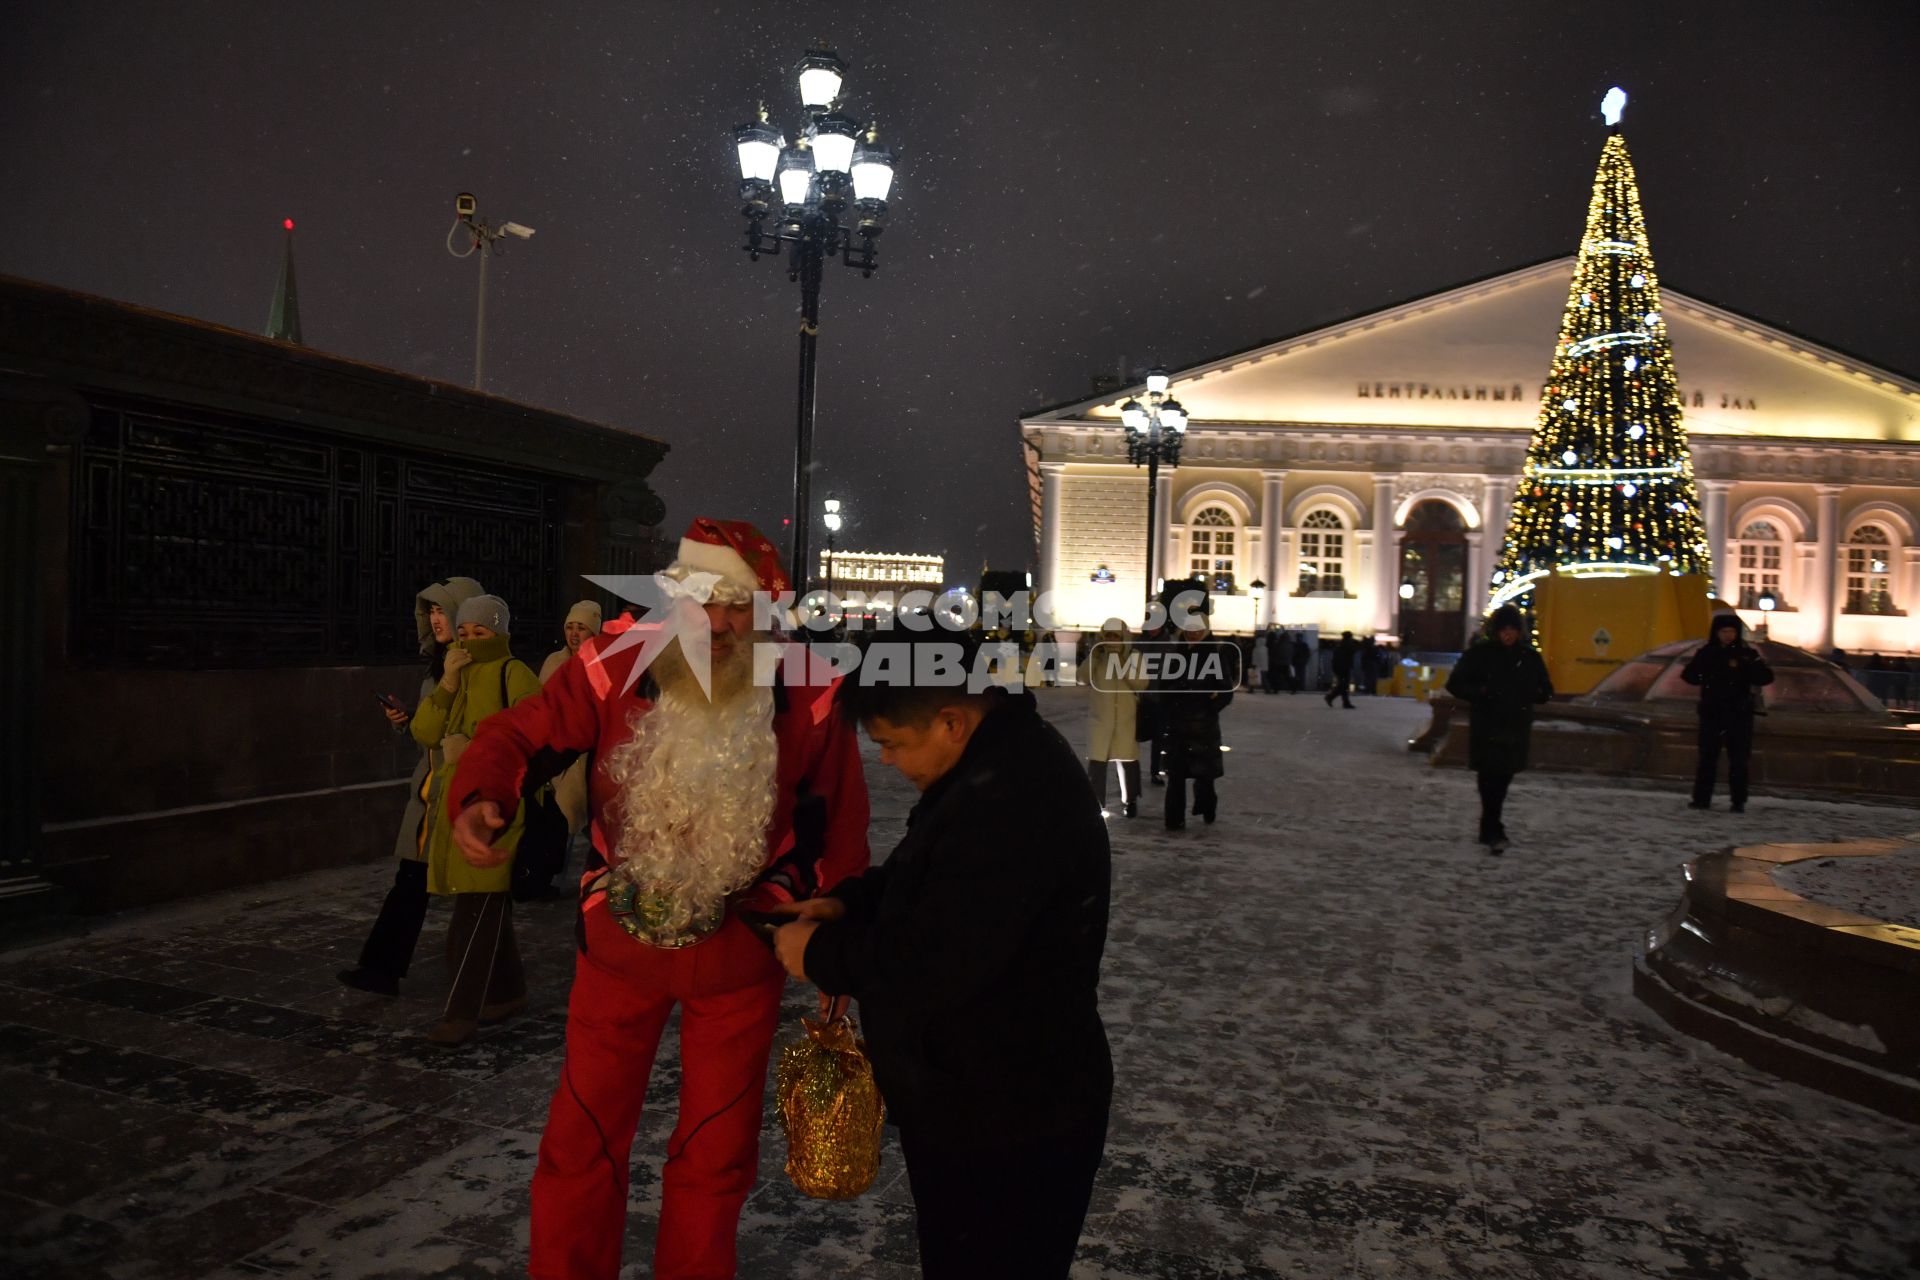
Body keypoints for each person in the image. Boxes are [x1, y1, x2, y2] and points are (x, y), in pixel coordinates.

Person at [446, 516, 869, 1280]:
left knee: (717, 1159)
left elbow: (840, 827)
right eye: (702, 600)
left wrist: (837, 938)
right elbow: (519, 734)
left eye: (737, 604)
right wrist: (484, 795)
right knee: (581, 1142)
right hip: (618, 947)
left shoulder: (805, 687)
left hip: (743, 956)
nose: (718, 623)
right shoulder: (614, 663)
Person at [770, 629, 1112, 1280]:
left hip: (1011, 1118)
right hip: (983, 1100)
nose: (892, 763)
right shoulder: (991, 767)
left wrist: (823, 956)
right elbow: (921, 883)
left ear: (952, 720)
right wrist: (848, 905)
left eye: (894, 745)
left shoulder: (1009, 800)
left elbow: (934, 963)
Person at [338, 575, 485, 998]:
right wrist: (409, 722)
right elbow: (431, 731)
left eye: (443, 610)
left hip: (459, 796)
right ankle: (381, 969)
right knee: (412, 883)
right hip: (429, 797)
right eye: (431, 611)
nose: (436, 619)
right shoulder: (437, 669)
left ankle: (491, 982)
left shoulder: (481, 670)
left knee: (479, 895)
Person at [409, 593, 543, 1044]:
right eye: (463, 633)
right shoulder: (453, 671)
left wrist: (478, 748)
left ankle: (461, 1012)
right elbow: (424, 732)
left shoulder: (514, 672)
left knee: (473, 913)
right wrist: (447, 684)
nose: (469, 641)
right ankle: (508, 992)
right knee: (484, 906)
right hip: (454, 805)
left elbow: (537, 734)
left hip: (495, 808)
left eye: (480, 633)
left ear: (499, 633)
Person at [1444, 605, 1553, 854]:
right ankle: (1494, 828)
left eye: (1512, 630)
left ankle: (1489, 825)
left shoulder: (1528, 657)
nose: (1508, 634)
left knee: (1502, 779)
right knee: (1489, 777)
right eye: (1504, 630)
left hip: (1514, 726)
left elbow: (1545, 690)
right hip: (1487, 725)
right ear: (1496, 630)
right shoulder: (1479, 655)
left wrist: (1533, 694)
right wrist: (1481, 692)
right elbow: (1455, 684)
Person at [538, 599, 606, 897]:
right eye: (570, 627)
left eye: (582, 628)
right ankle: (551, 877)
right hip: (557, 749)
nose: (574, 634)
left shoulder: (604, 661)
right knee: (559, 817)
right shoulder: (555, 661)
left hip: (591, 752)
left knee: (588, 816)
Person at [1681, 613, 1775, 813]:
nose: (1728, 635)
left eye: (1731, 631)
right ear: (1717, 633)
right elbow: (1689, 675)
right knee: (1708, 758)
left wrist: (1747, 668)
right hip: (1713, 713)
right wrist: (1707, 675)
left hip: (1738, 714)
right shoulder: (1707, 653)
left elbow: (1765, 677)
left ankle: (1738, 801)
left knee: (1738, 759)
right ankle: (1702, 799)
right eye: (1724, 631)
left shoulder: (1746, 654)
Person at [1158, 621, 1234, 830]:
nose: (1193, 634)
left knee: (1204, 775)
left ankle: (1207, 806)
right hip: (1177, 725)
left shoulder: (1215, 655)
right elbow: (1163, 685)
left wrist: (1210, 707)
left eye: (1198, 630)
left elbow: (1226, 690)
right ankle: (1174, 820)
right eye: (1190, 630)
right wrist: (1172, 698)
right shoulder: (1176, 653)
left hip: (1203, 727)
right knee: (1176, 776)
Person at [1082, 617, 1147, 817]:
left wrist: (1121, 662)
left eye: (1115, 636)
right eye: (1108, 636)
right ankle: (1096, 802)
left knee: (1128, 760)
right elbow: (1082, 677)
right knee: (1098, 762)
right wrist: (1095, 657)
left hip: (1125, 719)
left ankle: (1130, 800)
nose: (1111, 640)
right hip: (1101, 718)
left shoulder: (1134, 656)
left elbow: (1141, 683)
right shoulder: (1097, 656)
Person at [1325, 630, 1359, 709]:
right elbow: (1354, 650)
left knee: (1343, 686)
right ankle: (1331, 697)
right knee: (1343, 686)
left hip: (1340, 668)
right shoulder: (1347, 645)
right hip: (1344, 668)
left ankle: (1344, 702)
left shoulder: (1341, 645)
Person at [1262, 627, 1285, 694]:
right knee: (1275, 676)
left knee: (1269, 676)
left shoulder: (1267, 644)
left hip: (1269, 662)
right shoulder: (1277, 644)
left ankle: (1270, 688)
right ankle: (1276, 688)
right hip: (1276, 662)